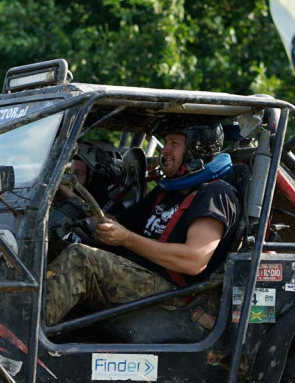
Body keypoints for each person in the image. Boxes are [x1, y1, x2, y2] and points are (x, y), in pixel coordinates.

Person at [44, 115, 240, 326]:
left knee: (80, 259)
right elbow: (113, 224)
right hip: (141, 275)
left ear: (197, 148)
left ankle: (22, 336)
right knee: (55, 243)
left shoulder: (215, 194)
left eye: (174, 143)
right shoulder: (166, 192)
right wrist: (68, 197)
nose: (165, 150)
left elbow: (193, 260)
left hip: (175, 295)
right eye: (165, 142)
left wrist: (126, 239)